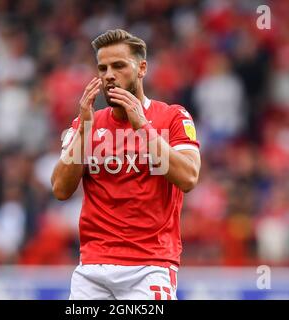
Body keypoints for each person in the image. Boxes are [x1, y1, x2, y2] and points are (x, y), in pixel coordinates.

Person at [51, 29, 201, 300]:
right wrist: (84, 129)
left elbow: (189, 178)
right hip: (92, 268)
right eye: (103, 68)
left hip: (150, 265)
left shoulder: (172, 117)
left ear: (141, 68)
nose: (109, 74)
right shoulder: (86, 123)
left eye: (119, 66)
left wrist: (142, 126)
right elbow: (60, 189)